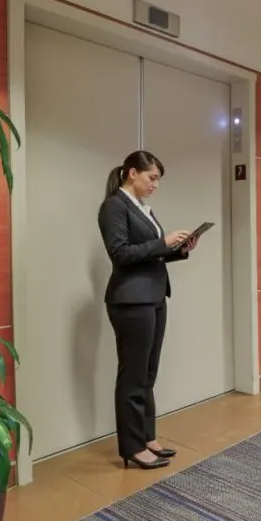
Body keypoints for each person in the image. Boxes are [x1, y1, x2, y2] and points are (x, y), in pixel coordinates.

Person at [98, 150, 200, 470]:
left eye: (158, 179)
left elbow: (149, 255)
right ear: (132, 173)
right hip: (130, 301)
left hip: (154, 298)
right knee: (132, 375)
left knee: (148, 373)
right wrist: (162, 241)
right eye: (151, 177)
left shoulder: (143, 208)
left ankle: (147, 437)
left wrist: (178, 250)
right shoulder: (114, 206)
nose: (156, 184)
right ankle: (131, 447)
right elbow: (121, 253)